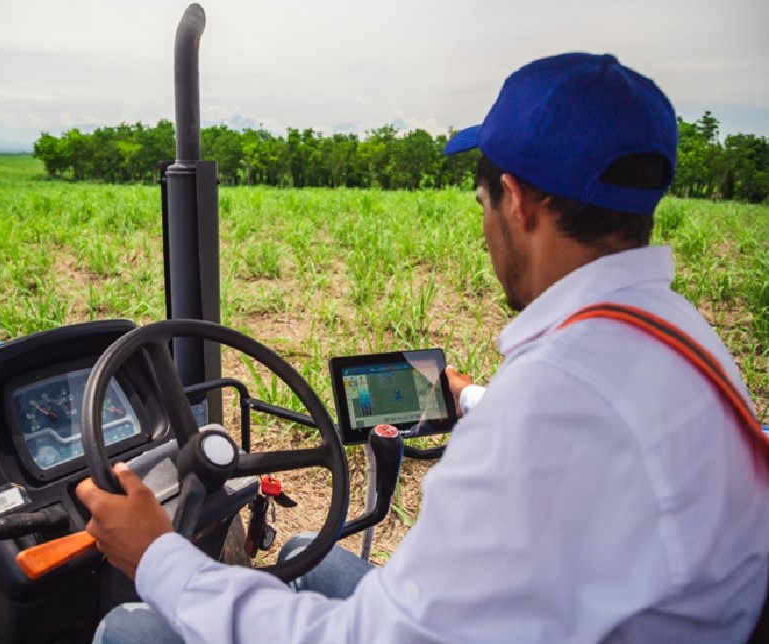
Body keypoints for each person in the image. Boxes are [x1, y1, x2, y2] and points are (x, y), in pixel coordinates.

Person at [77, 52, 768, 643]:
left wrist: (157, 554)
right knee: (300, 554)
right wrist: (466, 395)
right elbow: (605, 431)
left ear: (516, 201)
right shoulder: (674, 332)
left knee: (130, 629)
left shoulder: (549, 403)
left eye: (482, 206)